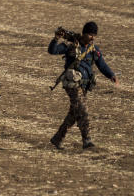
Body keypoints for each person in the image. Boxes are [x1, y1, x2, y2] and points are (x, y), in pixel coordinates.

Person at [47, 21, 118, 150]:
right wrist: (56, 38)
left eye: (94, 35)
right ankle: (86, 140)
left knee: (74, 114)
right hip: (72, 84)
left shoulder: (93, 49)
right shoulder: (71, 46)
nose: (93, 37)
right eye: (90, 34)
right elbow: (52, 51)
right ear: (84, 33)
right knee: (83, 111)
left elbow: (101, 64)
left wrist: (111, 75)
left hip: (84, 86)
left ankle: (57, 139)